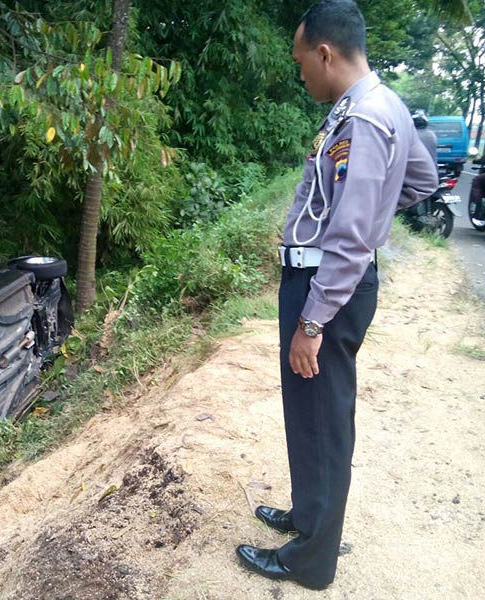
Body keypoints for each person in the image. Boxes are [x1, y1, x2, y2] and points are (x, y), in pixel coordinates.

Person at [235, 0, 438, 591]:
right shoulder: (381, 105)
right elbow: (422, 180)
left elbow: (350, 235)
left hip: (328, 288)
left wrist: (313, 319)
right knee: (308, 412)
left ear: (325, 53)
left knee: (323, 420)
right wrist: (368, 212)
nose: (301, 76)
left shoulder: (366, 119)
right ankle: (308, 516)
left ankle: (311, 561)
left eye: (302, 63)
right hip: (322, 280)